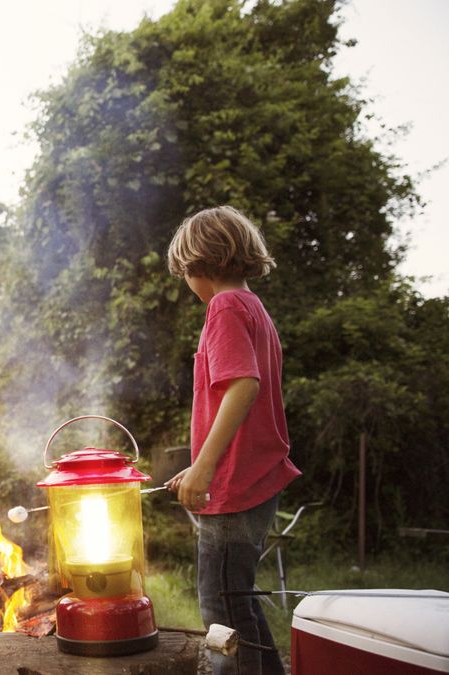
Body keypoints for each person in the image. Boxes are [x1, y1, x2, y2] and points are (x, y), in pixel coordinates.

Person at [165, 206, 300, 675]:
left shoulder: (223, 307)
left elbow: (243, 386)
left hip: (233, 486)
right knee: (239, 601)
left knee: (221, 613)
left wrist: (206, 469)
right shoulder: (253, 306)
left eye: (184, 272)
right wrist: (200, 463)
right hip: (253, 476)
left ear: (198, 264)